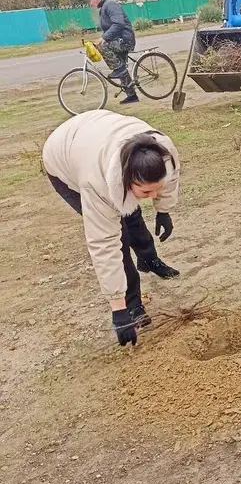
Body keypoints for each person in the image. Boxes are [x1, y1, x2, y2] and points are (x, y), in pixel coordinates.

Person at [42, 110, 181, 347]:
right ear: (125, 180)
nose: (152, 196)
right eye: (146, 192)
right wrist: (119, 308)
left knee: (131, 213)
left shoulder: (163, 151)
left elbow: (169, 179)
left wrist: (163, 209)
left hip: (96, 133)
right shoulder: (95, 184)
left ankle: (149, 259)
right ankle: (134, 305)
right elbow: (105, 245)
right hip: (63, 156)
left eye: (155, 189)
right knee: (121, 237)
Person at [87, 0, 139, 105]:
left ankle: (119, 70)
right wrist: (102, 38)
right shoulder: (104, 7)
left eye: (91, 0)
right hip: (118, 39)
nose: (90, 3)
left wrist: (104, 38)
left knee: (104, 48)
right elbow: (110, 28)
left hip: (125, 40)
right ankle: (132, 95)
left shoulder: (110, 5)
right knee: (119, 65)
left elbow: (118, 24)